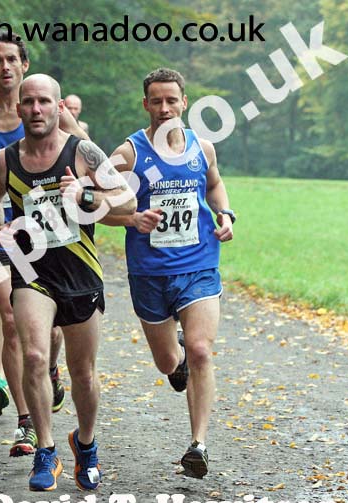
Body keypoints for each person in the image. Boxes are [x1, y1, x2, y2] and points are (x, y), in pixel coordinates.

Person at [0, 73, 136, 491]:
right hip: (33, 274)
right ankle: (45, 451)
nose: (35, 110)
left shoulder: (82, 152)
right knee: (34, 355)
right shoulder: (4, 161)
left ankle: (85, 444)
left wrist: (84, 195)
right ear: (18, 108)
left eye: (44, 102)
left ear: (58, 106)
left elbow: (128, 202)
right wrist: (1, 232)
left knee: (82, 372)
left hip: (81, 273)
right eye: (28, 102)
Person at [105, 67, 235, 479]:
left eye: (171, 100)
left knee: (200, 350)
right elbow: (94, 205)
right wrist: (131, 219)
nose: (164, 108)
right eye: (156, 101)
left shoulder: (204, 148)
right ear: (145, 104)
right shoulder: (129, 154)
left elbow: (214, 185)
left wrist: (225, 212)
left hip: (198, 264)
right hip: (149, 273)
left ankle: (198, 445)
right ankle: (173, 359)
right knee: (168, 362)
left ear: (184, 102)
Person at [0, 32, 86, 456]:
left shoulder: (49, 110)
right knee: (10, 321)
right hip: (1, 231)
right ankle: (26, 423)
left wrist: (82, 190)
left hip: (51, 234)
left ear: (24, 64)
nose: (4, 67)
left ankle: (50, 369)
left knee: (49, 332)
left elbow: (88, 157)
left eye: (12, 59)